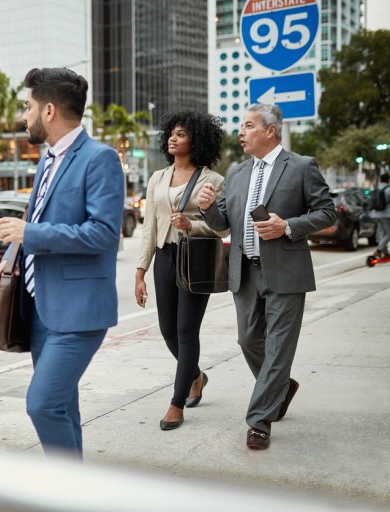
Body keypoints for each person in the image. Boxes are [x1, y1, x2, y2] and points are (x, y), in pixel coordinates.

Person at [0, 67, 123, 458]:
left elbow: (103, 233)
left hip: (79, 311)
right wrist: (12, 255)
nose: (24, 116)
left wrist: (29, 235)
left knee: (42, 404)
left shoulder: (99, 159)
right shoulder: (48, 159)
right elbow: (37, 220)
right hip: (39, 309)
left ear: (49, 110)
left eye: (29, 107)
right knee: (64, 406)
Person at [196, 104, 336, 450]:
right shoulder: (237, 172)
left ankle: (259, 420)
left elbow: (327, 212)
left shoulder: (302, 167)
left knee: (278, 348)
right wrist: (207, 206)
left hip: (287, 271)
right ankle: (281, 388)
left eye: (248, 126)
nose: (240, 133)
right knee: (248, 341)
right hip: (244, 272)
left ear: (270, 130)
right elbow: (222, 222)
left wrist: (288, 225)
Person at [134, 111, 228, 431]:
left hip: (196, 257)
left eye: (182, 134)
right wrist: (140, 270)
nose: (173, 138)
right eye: (171, 133)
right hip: (164, 255)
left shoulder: (213, 181)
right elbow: (150, 226)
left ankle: (176, 404)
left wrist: (193, 224)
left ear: (197, 140)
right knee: (167, 330)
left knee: (187, 331)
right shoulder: (157, 178)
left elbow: (223, 229)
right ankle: (196, 375)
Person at [371, 173, 390, 259]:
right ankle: (378, 251)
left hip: (375, 214)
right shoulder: (388, 189)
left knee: (383, 234)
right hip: (385, 215)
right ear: (388, 180)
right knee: (389, 234)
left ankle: (385, 253)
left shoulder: (376, 188)